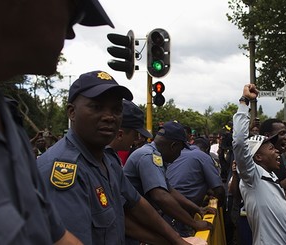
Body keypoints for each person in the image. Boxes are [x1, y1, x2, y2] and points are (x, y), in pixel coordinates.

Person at [0, 0, 118, 243]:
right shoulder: (61, 164)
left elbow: (55, 235)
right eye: (72, 13)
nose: (70, 33)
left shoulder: (9, 126)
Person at [37, 71, 196, 245]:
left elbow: (136, 205)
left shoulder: (107, 160)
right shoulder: (64, 170)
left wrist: (176, 241)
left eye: (116, 110)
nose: (109, 117)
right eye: (96, 107)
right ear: (72, 112)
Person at [123, 121, 214, 238]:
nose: (180, 154)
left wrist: (197, 209)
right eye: (180, 149)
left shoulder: (152, 153)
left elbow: (170, 190)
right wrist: (194, 223)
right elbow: (160, 196)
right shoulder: (149, 157)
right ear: (173, 146)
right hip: (131, 225)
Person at [232, 84, 286, 245]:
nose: (277, 152)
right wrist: (244, 101)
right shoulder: (252, 178)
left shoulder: (270, 177)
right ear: (258, 157)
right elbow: (239, 142)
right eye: (271, 148)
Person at [166, 136, 225, 236]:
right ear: (207, 149)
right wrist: (218, 207)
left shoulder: (177, 154)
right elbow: (219, 190)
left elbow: (187, 179)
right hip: (182, 211)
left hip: (164, 208)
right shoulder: (203, 156)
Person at [108, 100, 152, 166]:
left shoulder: (111, 158)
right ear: (120, 135)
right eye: (135, 134)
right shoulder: (101, 161)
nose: (137, 138)